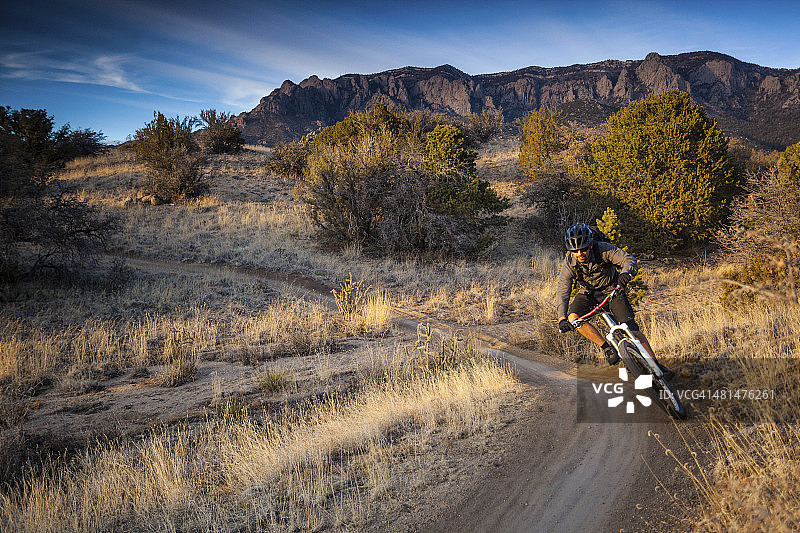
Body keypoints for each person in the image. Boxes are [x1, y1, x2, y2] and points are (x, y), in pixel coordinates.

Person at [555, 222, 674, 380]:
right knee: (573, 318)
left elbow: (628, 260)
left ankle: (656, 365)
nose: (580, 253)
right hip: (588, 293)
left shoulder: (604, 249)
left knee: (632, 331)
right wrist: (562, 318)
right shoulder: (570, 262)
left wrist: (626, 273)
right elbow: (563, 291)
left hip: (612, 289)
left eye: (583, 249)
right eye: (575, 251)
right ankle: (606, 348)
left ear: (590, 245)